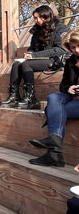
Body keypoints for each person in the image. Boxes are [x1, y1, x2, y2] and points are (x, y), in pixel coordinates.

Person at [0, 5, 69, 110]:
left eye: (40, 17)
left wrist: (34, 55)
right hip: (39, 59)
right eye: (35, 18)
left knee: (26, 64)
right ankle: (14, 96)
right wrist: (29, 54)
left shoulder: (61, 28)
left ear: (47, 16)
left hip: (55, 60)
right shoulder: (37, 30)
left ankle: (31, 98)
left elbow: (60, 49)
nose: (37, 20)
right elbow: (32, 48)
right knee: (16, 64)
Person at [28, 27, 79, 168]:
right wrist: (69, 88)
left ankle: (54, 154)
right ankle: (54, 143)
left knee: (53, 110)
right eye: (73, 47)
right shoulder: (70, 62)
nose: (76, 50)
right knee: (53, 98)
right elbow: (63, 86)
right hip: (73, 98)